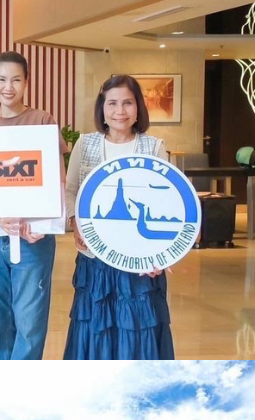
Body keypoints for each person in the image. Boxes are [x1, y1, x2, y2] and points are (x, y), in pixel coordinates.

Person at [64, 76, 173, 360]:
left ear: (138, 107)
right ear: (102, 108)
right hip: (95, 259)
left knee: (138, 329)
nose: (120, 111)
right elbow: (71, 190)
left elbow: (169, 202)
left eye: (127, 103)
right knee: (95, 328)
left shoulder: (154, 146)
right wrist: (77, 224)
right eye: (112, 103)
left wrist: (160, 254)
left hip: (139, 263)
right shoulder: (85, 143)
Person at [0, 52, 68, 361]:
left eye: (15, 80)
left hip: (31, 234)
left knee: (29, 320)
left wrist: (40, 223)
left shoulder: (41, 121)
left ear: (26, 82)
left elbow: (56, 179)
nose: (8, 87)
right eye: (1, 80)